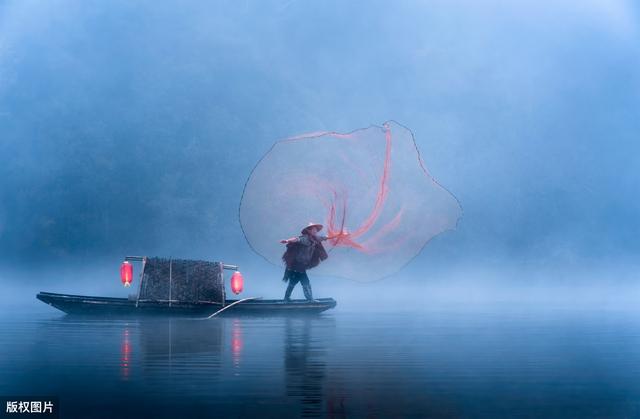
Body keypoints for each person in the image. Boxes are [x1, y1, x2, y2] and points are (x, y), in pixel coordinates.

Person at [280, 222, 339, 302]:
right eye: (313, 229)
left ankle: (286, 298)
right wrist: (287, 240)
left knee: (294, 281)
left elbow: (326, 237)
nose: (315, 231)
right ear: (309, 230)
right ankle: (310, 299)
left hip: (302, 265)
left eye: (316, 229)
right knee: (305, 281)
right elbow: (297, 239)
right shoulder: (305, 238)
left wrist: (340, 235)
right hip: (297, 264)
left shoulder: (316, 238)